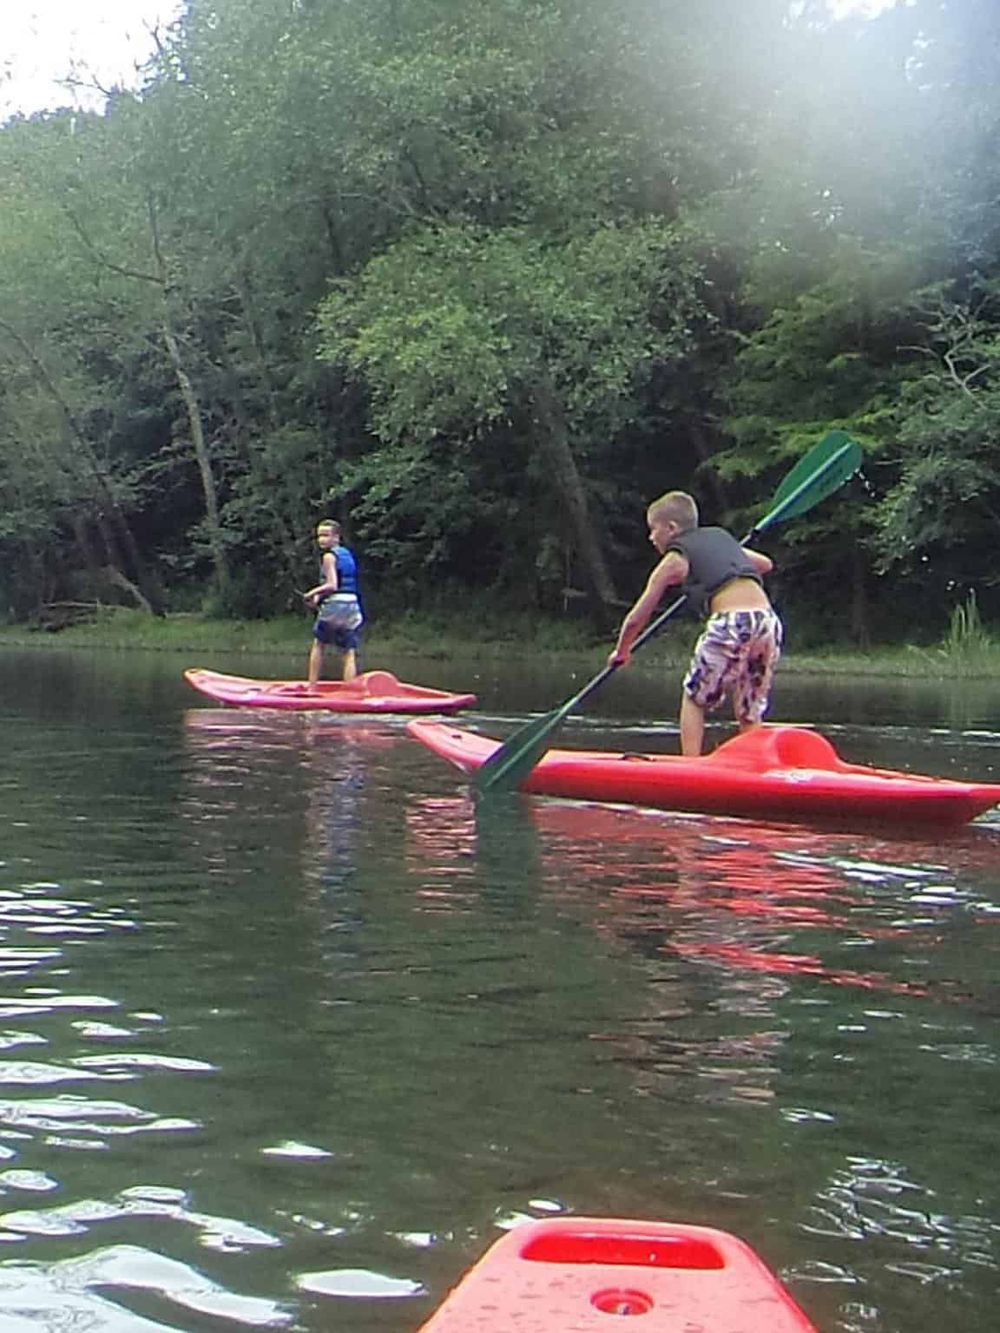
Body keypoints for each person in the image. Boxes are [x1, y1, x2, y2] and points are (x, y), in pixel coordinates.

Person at [609, 490, 782, 757]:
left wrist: (622, 650)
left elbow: (638, 616)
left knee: (693, 698)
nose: (651, 537)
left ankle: (691, 764)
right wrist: (720, 564)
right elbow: (764, 564)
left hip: (732, 622)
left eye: (653, 530)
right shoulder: (722, 538)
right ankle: (755, 762)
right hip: (767, 621)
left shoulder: (674, 559)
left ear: (671, 528)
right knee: (749, 707)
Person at [303, 519, 364, 683]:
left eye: (326, 535)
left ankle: (312, 686)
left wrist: (311, 593)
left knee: (319, 644)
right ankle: (350, 689)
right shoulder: (347, 555)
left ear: (336, 537)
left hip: (335, 604)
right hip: (352, 603)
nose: (321, 539)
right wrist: (317, 598)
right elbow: (342, 584)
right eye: (319, 536)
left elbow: (332, 585)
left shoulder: (329, 557)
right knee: (348, 651)